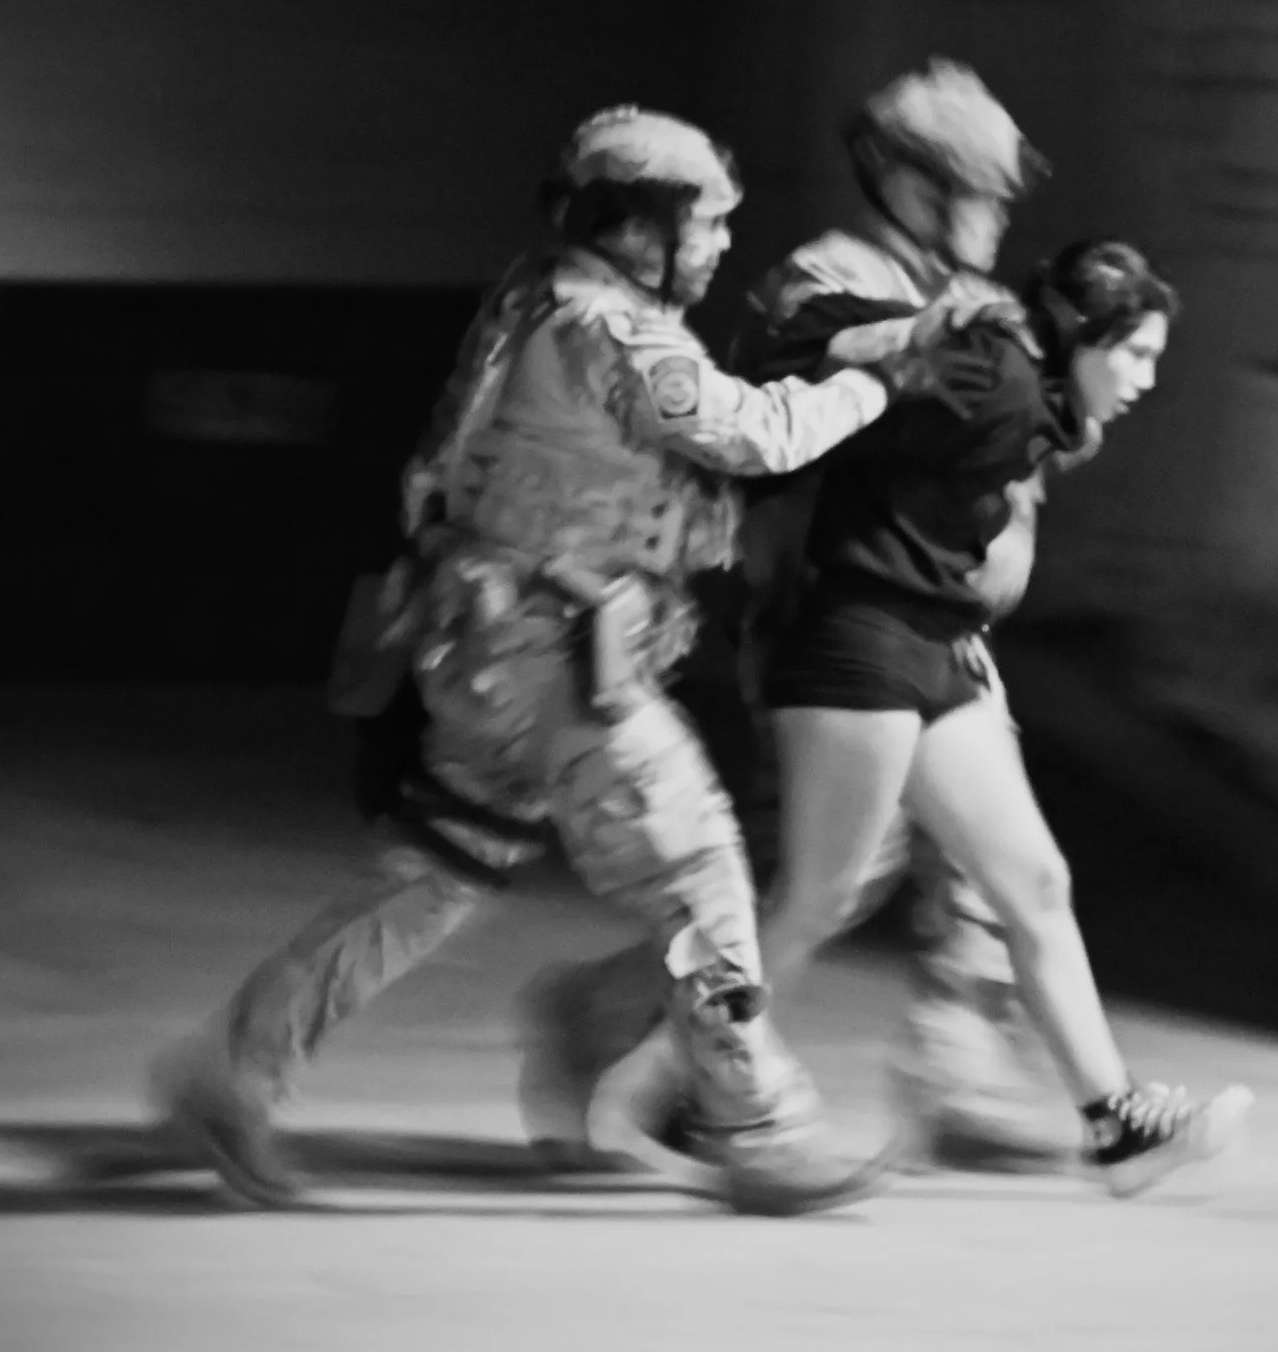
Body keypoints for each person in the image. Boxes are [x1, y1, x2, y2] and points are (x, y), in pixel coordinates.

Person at [150, 105, 947, 1217]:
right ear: (638, 228)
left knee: (428, 876)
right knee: (702, 870)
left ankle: (228, 1071)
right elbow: (754, 434)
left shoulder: (537, 299)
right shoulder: (611, 331)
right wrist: (883, 378)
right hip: (561, 664)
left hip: (487, 649)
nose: (719, 245)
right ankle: (755, 1123)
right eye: (706, 221)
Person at [519, 60, 1081, 1172]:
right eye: (982, 191)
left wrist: (1010, 526)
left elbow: (1014, 456)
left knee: (981, 857)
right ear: (916, 186)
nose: (1000, 211)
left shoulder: (971, 298)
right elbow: (807, 422)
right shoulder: (823, 285)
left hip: (931, 620)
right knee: (835, 871)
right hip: (831, 612)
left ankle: (955, 1059)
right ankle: (625, 1022)